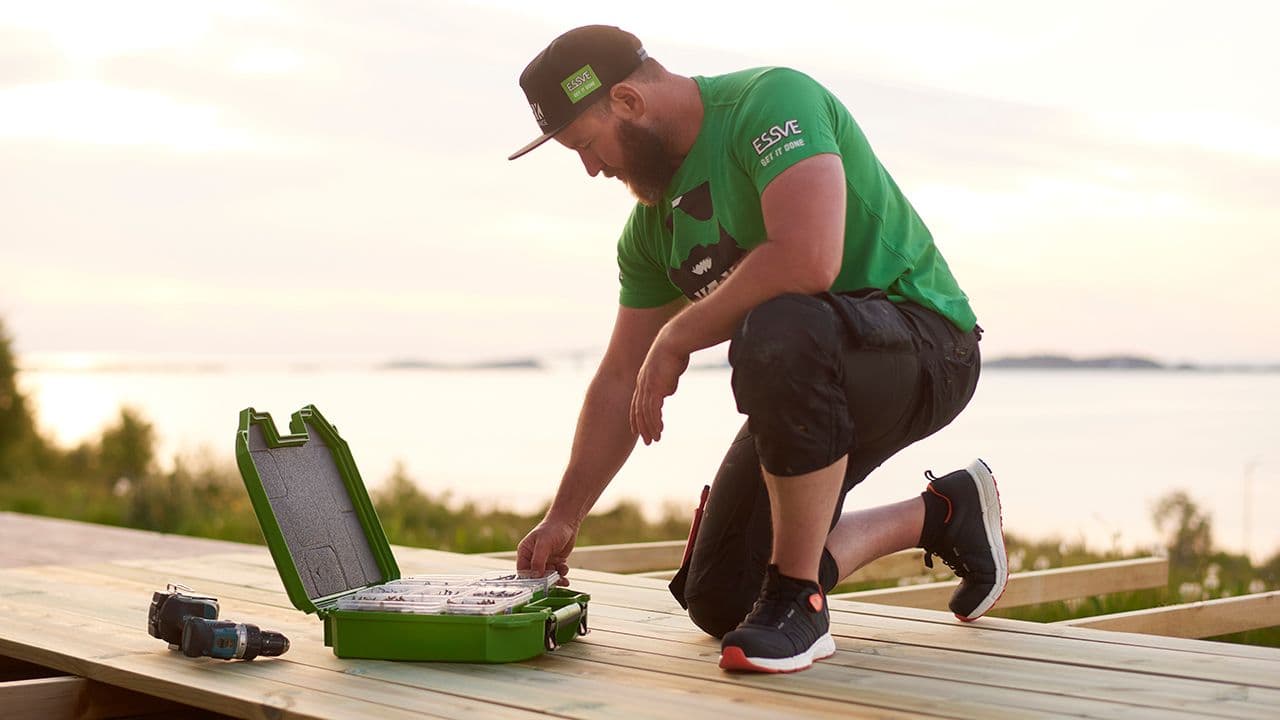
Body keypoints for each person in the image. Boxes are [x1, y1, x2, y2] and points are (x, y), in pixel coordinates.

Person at [508, 25, 1007, 674]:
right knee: (722, 601)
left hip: (928, 345)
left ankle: (801, 600)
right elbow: (620, 376)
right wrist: (564, 517)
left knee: (778, 323)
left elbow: (807, 260)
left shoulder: (771, 102)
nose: (593, 168)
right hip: (815, 375)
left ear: (628, 102)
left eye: (585, 145)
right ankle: (942, 513)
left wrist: (678, 335)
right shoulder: (651, 232)